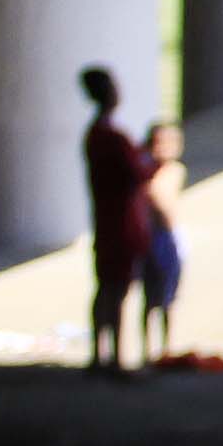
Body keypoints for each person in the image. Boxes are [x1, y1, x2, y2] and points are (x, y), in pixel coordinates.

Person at [77, 64, 145, 375]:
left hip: (106, 218)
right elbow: (135, 175)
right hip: (120, 219)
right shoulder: (113, 138)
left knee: (105, 286)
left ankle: (99, 354)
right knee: (117, 288)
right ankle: (115, 357)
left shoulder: (93, 135)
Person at [133, 119, 191, 369]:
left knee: (169, 295)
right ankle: (148, 348)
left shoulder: (174, 170)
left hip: (169, 235)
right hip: (152, 235)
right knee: (150, 295)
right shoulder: (148, 172)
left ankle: (166, 347)